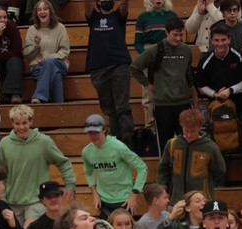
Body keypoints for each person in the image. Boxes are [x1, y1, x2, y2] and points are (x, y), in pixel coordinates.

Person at [0, 104, 77, 225]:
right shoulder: (5, 144)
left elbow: (63, 162)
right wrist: (1, 198)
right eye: (17, 124)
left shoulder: (44, 142)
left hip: (37, 201)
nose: (21, 127)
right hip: (12, 202)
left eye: (24, 123)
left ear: (31, 121)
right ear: (12, 123)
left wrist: (70, 184)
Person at [195, 22, 242, 184]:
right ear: (212, 41)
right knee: (215, 151)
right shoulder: (205, 61)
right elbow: (200, 86)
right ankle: (219, 188)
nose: (220, 44)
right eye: (216, 40)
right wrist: (215, 94)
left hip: (241, 110)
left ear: (229, 39)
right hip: (216, 113)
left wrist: (230, 90)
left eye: (223, 40)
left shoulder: (241, 57)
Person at [130, 17, 198, 152]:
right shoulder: (156, 50)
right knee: (165, 145)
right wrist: (148, 85)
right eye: (175, 35)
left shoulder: (186, 50)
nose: (178, 38)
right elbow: (134, 68)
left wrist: (194, 96)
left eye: (180, 35)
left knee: (186, 143)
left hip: (183, 104)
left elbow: (188, 74)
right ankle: (166, 172)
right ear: (167, 33)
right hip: (163, 105)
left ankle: (184, 172)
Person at [85, 0, 134, 146]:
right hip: (98, 69)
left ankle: (129, 144)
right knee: (110, 109)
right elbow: (87, 4)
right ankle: (117, 143)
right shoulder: (93, 17)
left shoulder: (118, 16)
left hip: (119, 66)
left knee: (122, 107)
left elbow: (125, 5)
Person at [81, 113, 149, 218]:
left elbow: (142, 167)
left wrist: (134, 194)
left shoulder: (118, 147)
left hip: (124, 200)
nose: (93, 136)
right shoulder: (87, 151)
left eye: (96, 132)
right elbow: (88, 172)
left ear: (104, 130)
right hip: (103, 200)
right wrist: (94, 193)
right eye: (90, 133)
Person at [157, 109, 226, 204]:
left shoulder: (210, 147)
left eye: (193, 131)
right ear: (181, 126)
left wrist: (204, 183)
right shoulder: (172, 144)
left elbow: (220, 170)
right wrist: (163, 186)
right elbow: (163, 168)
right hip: (177, 200)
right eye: (186, 130)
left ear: (200, 128)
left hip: (201, 201)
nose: (189, 134)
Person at [134, 0, 178, 130]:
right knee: (149, 95)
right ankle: (150, 126)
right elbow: (137, 43)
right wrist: (147, 57)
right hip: (149, 57)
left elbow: (177, 39)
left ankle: (171, 124)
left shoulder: (172, 15)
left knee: (170, 92)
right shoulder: (142, 17)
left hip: (168, 56)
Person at [23, 0, 70, 104]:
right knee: (56, 75)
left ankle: (39, 95)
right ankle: (59, 106)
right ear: (36, 13)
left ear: (50, 11)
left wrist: (49, 57)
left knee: (49, 63)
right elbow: (27, 54)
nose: (42, 12)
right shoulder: (32, 29)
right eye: (39, 10)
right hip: (38, 67)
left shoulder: (60, 28)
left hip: (59, 63)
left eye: (45, 9)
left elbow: (65, 51)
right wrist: (35, 44)